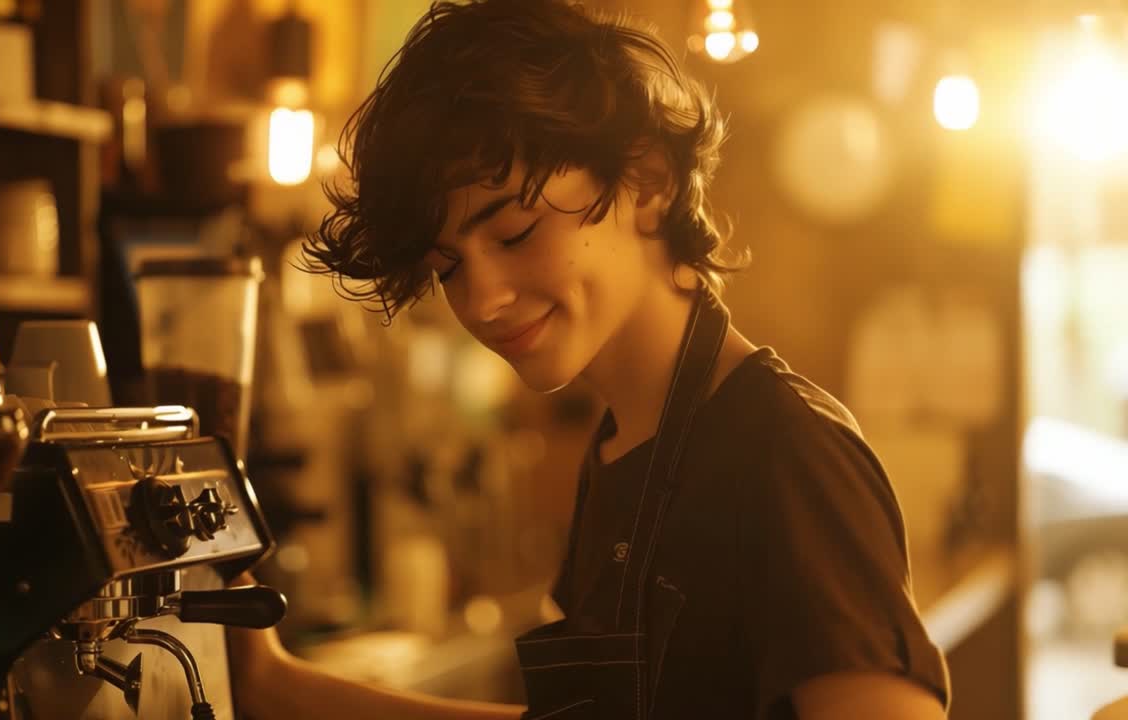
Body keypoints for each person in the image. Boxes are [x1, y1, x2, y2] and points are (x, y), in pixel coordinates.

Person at [226, 1, 951, 718]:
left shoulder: (785, 450)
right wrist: (286, 690)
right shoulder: (619, 456)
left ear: (650, 183)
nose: (481, 301)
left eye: (514, 234)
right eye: (447, 269)